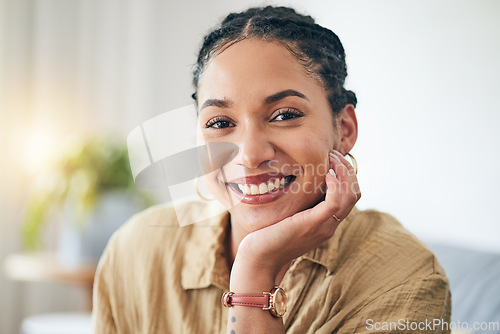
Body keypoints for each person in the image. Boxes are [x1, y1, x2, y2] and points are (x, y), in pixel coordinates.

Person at [92, 6, 451, 334]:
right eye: (219, 122)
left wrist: (254, 270)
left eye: (284, 115)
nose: (250, 154)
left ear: (344, 130)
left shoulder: (405, 278)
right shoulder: (135, 251)